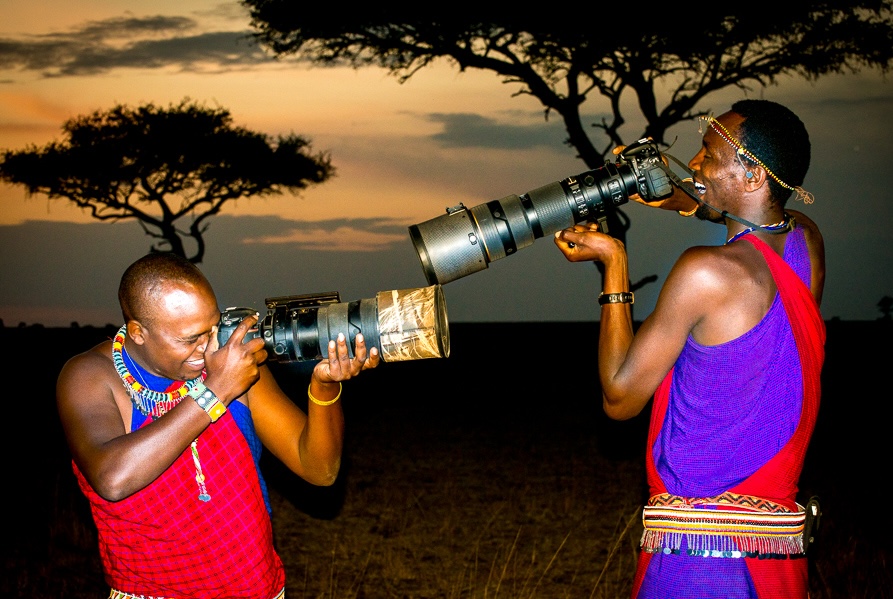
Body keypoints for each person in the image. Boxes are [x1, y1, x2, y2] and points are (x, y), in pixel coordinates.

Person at [554, 99, 825, 598]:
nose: (695, 166)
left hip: (699, 564)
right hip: (777, 560)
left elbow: (619, 398)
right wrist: (672, 194)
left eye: (707, 154)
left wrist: (614, 264)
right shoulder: (807, 246)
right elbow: (760, 218)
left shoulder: (705, 272)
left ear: (750, 176)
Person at [56, 252, 381, 599]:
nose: (208, 346)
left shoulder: (229, 365)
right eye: (188, 338)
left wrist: (324, 387)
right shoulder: (90, 376)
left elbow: (320, 469)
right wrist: (217, 390)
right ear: (138, 332)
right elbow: (112, 478)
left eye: (212, 329)